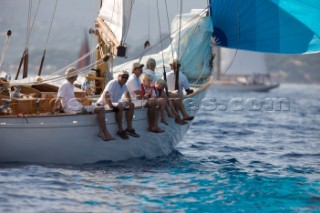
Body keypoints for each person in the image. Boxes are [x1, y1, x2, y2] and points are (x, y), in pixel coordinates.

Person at [55, 67, 113, 141]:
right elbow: (59, 98)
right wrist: (57, 109)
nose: (77, 77)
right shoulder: (65, 85)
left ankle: (103, 131)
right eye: (76, 75)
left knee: (100, 109)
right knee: (100, 109)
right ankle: (103, 131)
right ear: (74, 76)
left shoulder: (70, 85)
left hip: (76, 106)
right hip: (72, 108)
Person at [96, 70, 139, 139]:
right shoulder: (113, 82)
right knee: (120, 106)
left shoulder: (124, 85)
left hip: (113, 102)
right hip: (104, 103)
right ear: (119, 76)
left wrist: (128, 101)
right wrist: (111, 106)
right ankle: (120, 130)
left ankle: (129, 128)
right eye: (123, 77)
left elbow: (127, 95)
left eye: (126, 78)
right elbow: (105, 95)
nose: (124, 79)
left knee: (131, 105)